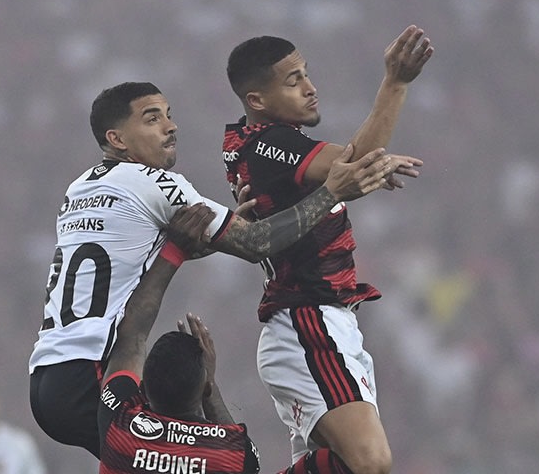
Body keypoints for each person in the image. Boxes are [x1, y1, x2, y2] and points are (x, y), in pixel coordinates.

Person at [29, 81, 407, 458]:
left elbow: (131, 263)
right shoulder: (152, 182)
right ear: (118, 139)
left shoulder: (81, 187)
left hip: (47, 376)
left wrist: (216, 235)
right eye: (152, 118)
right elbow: (256, 243)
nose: (170, 126)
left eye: (169, 115)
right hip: (95, 378)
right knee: (230, 462)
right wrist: (331, 192)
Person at [222, 25, 434, 474]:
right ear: (257, 100)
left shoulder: (261, 142)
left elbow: (351, 165)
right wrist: (395, 82)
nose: (310, 88)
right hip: (307, 322)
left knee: (345, 465)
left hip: (327, 322)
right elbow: (356, 163)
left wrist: (360, 166)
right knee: (370, 463)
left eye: (307, 73)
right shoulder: (266, 144)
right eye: (293, 80)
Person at [97, 205, 363, 474]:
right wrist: (210, 383)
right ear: (203, 386)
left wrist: (173, 251)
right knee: (350, 462)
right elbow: (239, 449)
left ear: (143, 385)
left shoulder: (119, 429)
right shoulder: (231, 456)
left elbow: (131, 337)